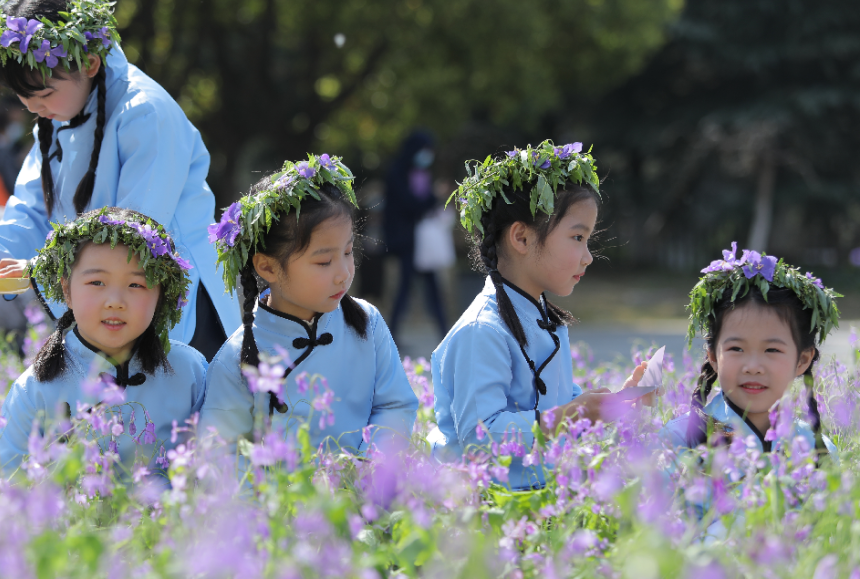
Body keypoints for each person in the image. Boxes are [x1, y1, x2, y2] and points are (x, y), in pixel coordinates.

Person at [0, 0, 238, 359]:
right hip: (107, 298)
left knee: (180, 415)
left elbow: (136, 231)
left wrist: (39, 267)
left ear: (89, 63)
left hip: (178, 304)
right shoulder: (59, 113)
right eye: (26, 101)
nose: (35, 109)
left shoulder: (145, 112)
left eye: (43, 96)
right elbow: (32, 208)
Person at [430, 141, 648, 490]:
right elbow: (478, 436)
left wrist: (610, 404)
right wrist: (570, 415)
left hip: (538, 495)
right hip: (485, 510)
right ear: (522, 237)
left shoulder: (545, 317)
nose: (588, 256)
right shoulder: (481, 331)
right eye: (578, 237)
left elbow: (557, 404)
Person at [200, 153, 418, 452]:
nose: (343, 274)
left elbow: (395, 406)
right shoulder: (235, 361)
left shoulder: (368, 322)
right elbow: (221, 459)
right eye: (324, 261)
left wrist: (372, 470)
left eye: (348, 252)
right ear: (267, 267)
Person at [0, 207, 207, 477]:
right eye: (97, 282)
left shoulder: (188, 371)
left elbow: (218, 467)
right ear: (67, 289)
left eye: (136, 285)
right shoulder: (35, 388)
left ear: (161, 294)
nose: (115, 301)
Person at [660, 243, 840, 459]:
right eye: (736, 348)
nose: (753, 367)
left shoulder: (819, 450)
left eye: (772, 350)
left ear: (802, 360)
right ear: (714, 356)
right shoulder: (678, 440)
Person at [384, 130, 448, 338]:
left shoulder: (420, 174)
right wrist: (434, 197)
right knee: (404, 290)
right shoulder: (397, 173)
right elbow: (412, 206)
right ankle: (391, 336)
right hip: (406, 243)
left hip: (422, 243)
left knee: (432, 290)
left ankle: (445, 334)